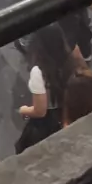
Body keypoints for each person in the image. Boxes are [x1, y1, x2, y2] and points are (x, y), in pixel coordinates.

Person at [16, 24, 78, 153]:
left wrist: (24, 110)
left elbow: (40, 111)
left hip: (51, 120)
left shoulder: (39, 71)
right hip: (70, 108)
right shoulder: (70, 55)